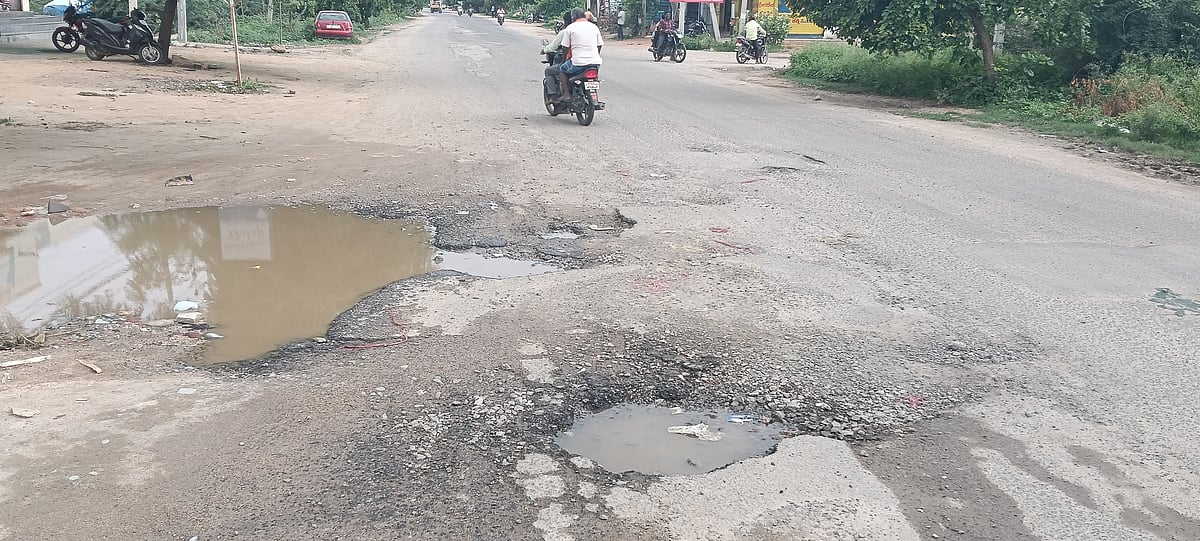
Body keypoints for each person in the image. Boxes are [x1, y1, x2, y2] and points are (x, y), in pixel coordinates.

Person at [556, 7, 603, 102]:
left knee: (562, 69)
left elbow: (565, 47)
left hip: (578, 63)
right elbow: (599, 45)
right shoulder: (594, 27)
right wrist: (595, 55)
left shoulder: (571, 28)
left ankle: (566, 94)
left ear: (573, 17)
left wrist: (564, 60)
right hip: (595, 63)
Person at [542, 11, 575, 103]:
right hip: (592, 63)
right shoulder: (587, 30)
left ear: (566, 22)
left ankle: (554, 96)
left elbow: (553, 47)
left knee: (550, 71)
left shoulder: (565, 32)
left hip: (573, 61)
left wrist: (544, 50)